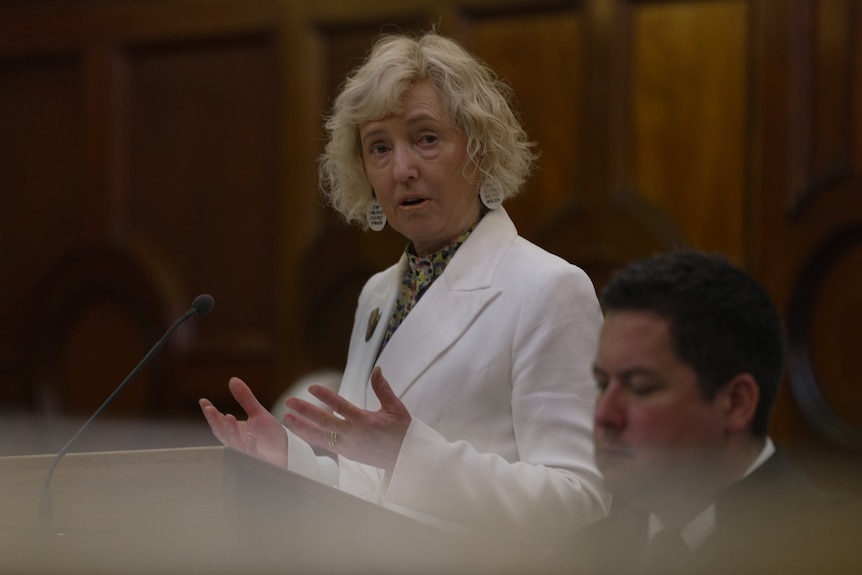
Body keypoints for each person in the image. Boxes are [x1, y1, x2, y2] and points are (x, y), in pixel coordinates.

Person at [198, 30, 609, 547]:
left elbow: (580, 496)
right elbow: (370, 486)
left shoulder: (550, 287)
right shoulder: (377, 293)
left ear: (479, 149)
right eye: (379, 147)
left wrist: (410, 456)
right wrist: (286, 459)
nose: (402, 169)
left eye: (426, 138)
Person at [545, 250, 853, 574]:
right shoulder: (581, 556)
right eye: (602, 384)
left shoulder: (835, 552)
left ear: (736, 403)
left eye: (641, 387)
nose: (604, 415)